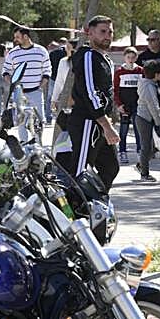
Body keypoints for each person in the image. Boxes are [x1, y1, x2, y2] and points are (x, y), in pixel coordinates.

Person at [59, 15, 119, 189]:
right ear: (90, 33)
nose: (107, 36)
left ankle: (95, 200)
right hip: (87, 122)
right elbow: (91, 92)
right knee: (80, 171)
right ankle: (76, 204)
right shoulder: (87, 56)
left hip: (100, 123)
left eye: (110, 32)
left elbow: (107, 92)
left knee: (110, 167)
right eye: (103, 31)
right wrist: (106, 126)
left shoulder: (104, 59)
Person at [3, 26, 50, 124]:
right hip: (19, 94)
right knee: (21, 123)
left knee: (39, 122)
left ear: (25, 36)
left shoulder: (41, 51)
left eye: (17, 37)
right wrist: (12, 83)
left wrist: (40, 86)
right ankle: (23, 135)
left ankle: (38, 134)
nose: (15, 40)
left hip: (36, 92)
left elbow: (47, 70)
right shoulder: (12, 53)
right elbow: (6, 70)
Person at [135, 60, 160, 183]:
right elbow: (153, 105)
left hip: (148, 118)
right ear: (156, 73)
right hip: (145, 118)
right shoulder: (148, 86)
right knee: (147, 147)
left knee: (154, 146)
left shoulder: (149, 83)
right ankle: (144, 174)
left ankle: (141, 164)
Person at [113, 47, 143, 163]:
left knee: (138, 129)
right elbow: (115, 90)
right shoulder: (119, 72)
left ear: (136, 58)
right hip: (124, 105)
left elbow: (143, 88)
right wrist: (119, 104)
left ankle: (140, 151)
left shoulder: (140, 71)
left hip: (137, 105)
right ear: (124, 58)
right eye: (128, 57)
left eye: (133, 57)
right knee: (123, 129)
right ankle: (122, 151)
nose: (130, 59)